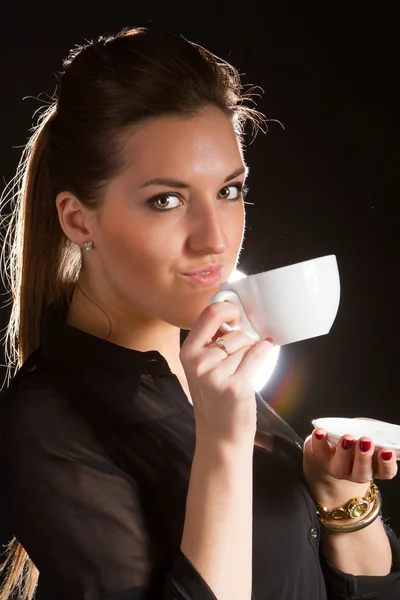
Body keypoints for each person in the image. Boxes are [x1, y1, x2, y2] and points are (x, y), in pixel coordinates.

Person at [0, 26, 399, 600]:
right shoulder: (48, 422)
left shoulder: (205, 362)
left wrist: (339, 499)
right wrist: (224, 440)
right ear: (78, 219)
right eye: (167, 200)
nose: (214, 239)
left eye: (229, 191)